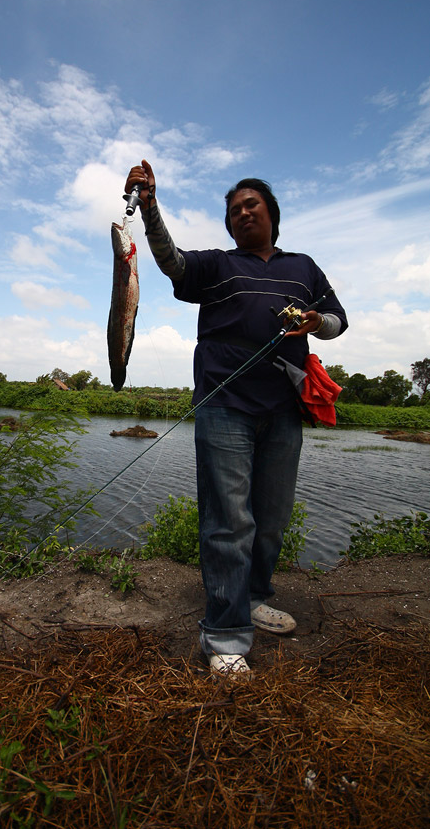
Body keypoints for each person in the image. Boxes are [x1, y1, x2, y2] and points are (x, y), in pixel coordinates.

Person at [125, 159, 348, 676]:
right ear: (228, 225)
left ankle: (253, 597)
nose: (243, 213)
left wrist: (318, 320)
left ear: (271, 213)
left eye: (252, 205)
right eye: (233, 211)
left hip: (284, 407)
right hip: (224, 403)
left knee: (270, 519)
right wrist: (151, 206)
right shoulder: (219, 265)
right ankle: (224, 634)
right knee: (229, 520)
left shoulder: (304, 268)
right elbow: (172, 262)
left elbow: (338, 320)